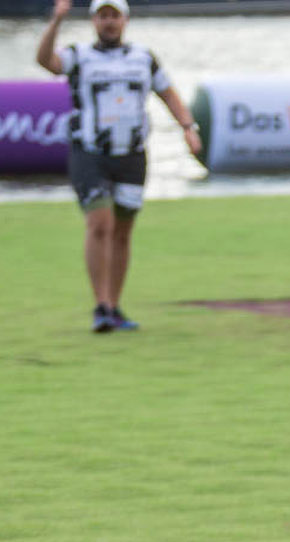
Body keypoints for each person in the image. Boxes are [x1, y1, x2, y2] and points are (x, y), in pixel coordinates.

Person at [37, 0, 201, 334]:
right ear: (93, 21)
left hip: (131, 156)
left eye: (114, 16)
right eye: (103, 16)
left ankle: (114, 306)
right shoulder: (79, 55)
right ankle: (100, 306)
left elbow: (168, 93)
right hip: (91, 153)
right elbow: (46, 62)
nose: (109, 22)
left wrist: (188, 127)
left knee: (123, 232)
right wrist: (56, 20)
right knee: (100, 222)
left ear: (125, 20)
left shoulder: (143, 58)